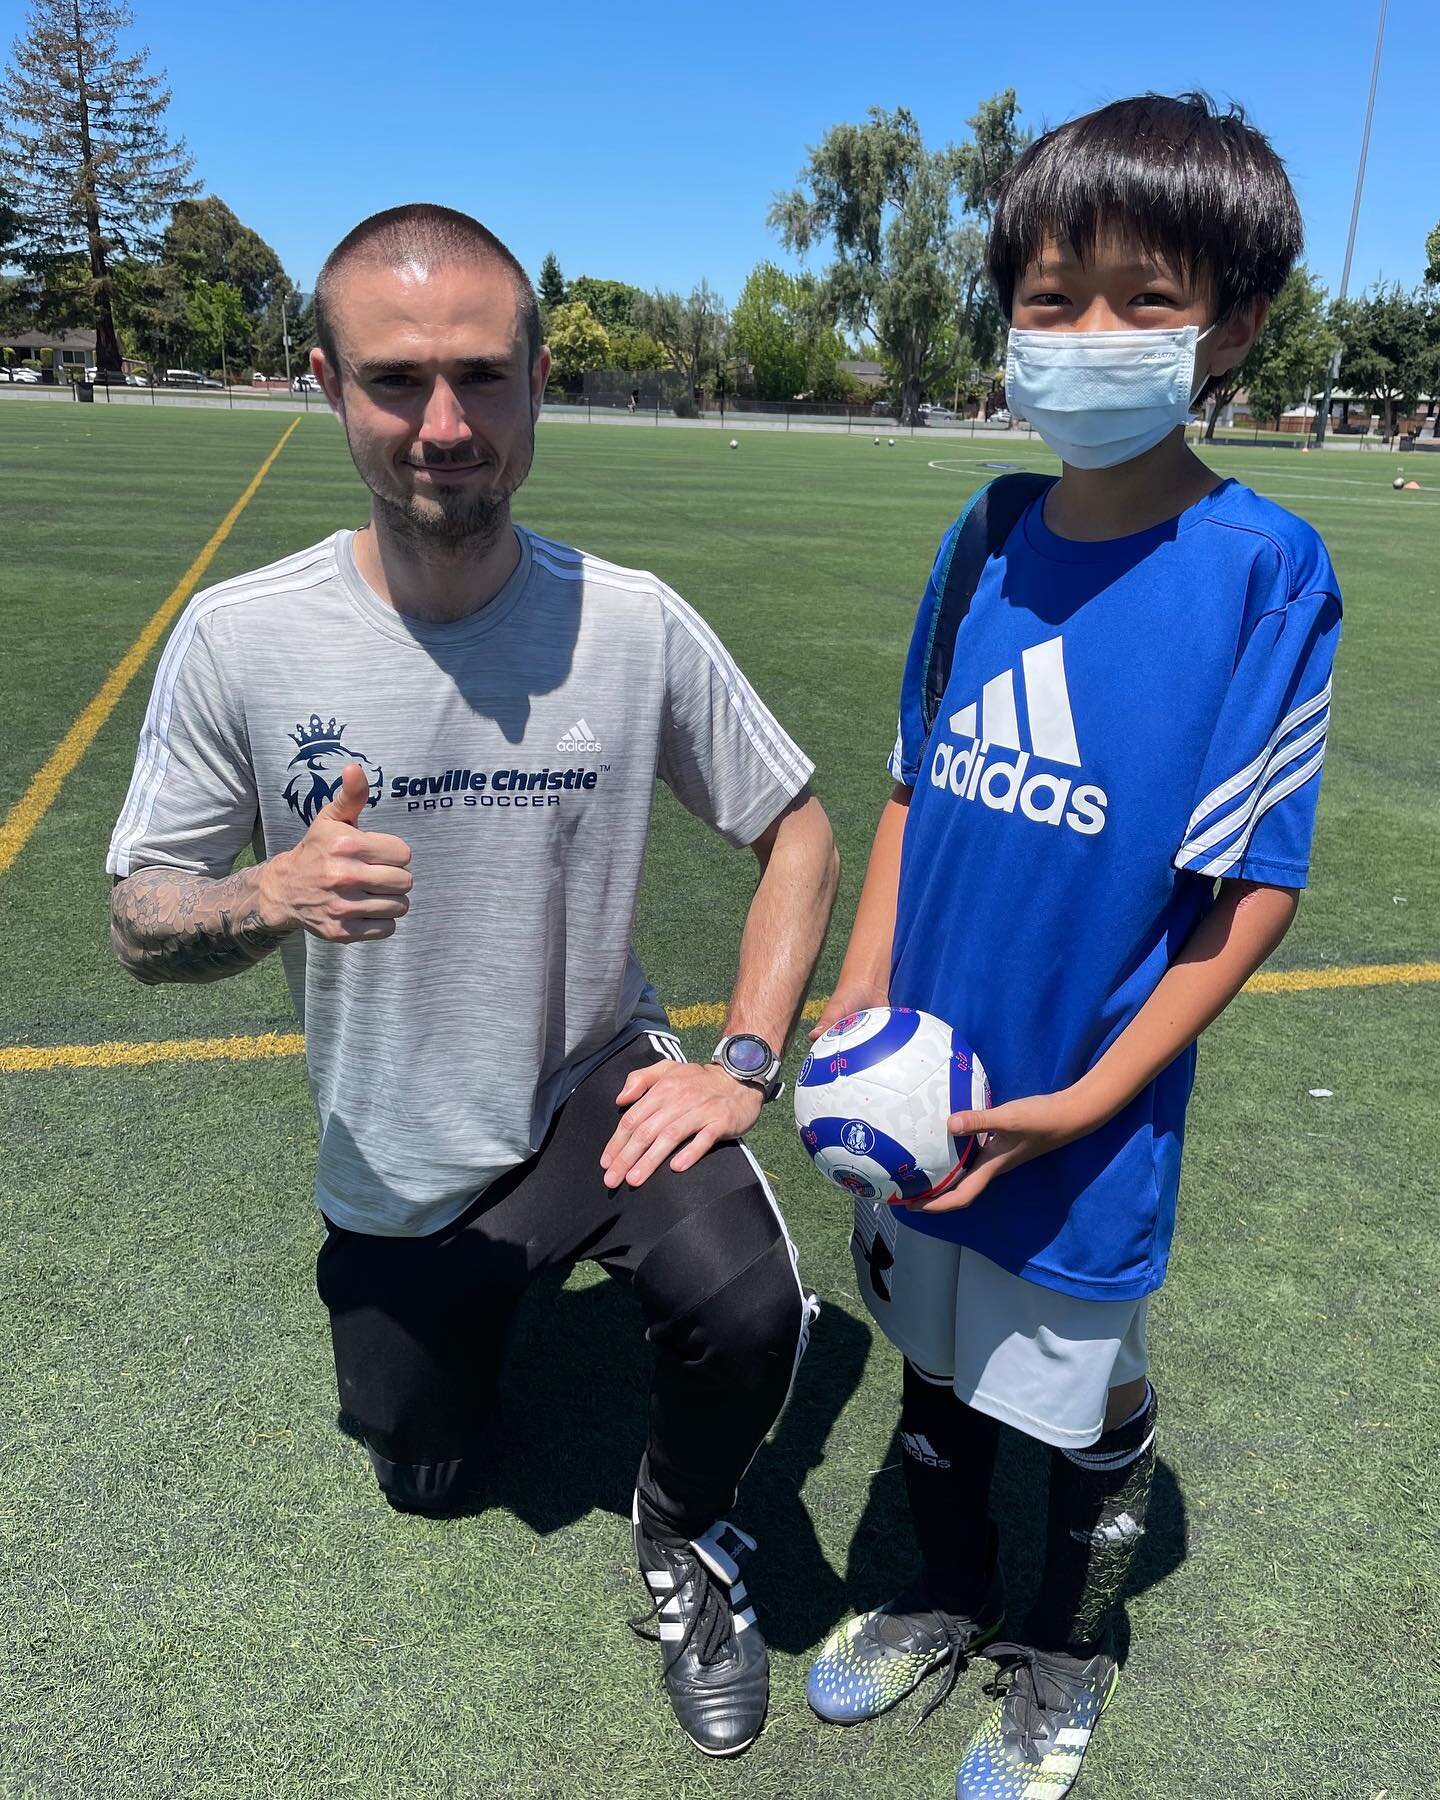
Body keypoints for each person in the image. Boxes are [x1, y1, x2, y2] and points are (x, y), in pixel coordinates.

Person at [107, 203, 839, 1761]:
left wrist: (748, 1055)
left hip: (597, 1086)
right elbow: (135, 921)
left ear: (536, 381)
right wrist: (266, 890)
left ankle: (688, 1536)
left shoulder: (630, 624)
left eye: (480, 378)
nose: (443, 427)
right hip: (397, 1160)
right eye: (395, 382)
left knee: (747, 1303)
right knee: (424, 1453)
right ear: (326, 383)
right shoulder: (241, 643)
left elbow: (799, 826)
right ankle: (459, 1335)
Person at [805, 94, 1341, 1798]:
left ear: (1232, 323)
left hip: (1080, 1121)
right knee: (935, 1364)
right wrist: (859, 985)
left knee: (1073, 1396)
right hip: (920, 1095)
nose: (1086, 334)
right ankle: (945, 1592)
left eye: (1139, 296)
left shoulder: (1265, 571)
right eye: (1051, 297)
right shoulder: (984, 535)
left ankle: (1065, 1648)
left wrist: (1092, 1095)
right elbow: (908, 787)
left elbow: (1252, 885)